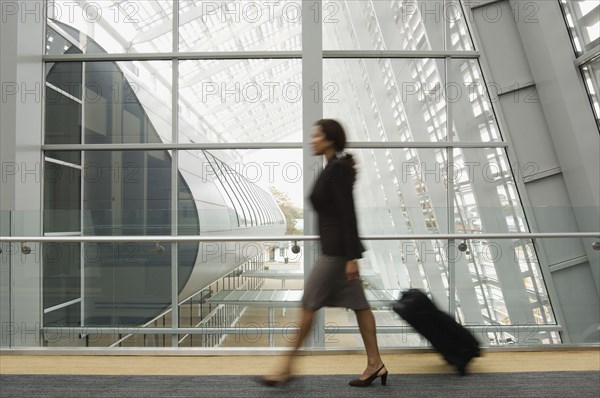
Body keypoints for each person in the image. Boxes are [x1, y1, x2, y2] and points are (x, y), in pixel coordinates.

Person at [257, 119, 387, 387]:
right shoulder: (333, 167)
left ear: (329, 139)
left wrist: (351, 257)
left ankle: (285, 368)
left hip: (337, 255)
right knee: (361, 307)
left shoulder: (337, 170)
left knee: (308, 304)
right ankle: (376, 364)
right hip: (338, 252)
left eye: (316, 136)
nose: (311, 140)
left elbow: (347, 214)